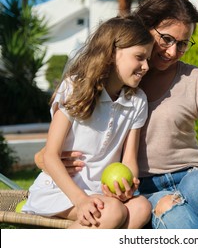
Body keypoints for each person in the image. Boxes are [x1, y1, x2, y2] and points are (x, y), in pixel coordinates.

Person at [35, 0, 198, 229]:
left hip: (191, 174)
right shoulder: (119, 80)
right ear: (145, 27)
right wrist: (43, 158)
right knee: (173, 214)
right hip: (142, 187)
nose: (172, 52)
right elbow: (60, 148)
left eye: (182, 44)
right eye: (166, 39)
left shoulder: (192, 80)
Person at [24, 15, 154, 229]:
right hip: (61, 191)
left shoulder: (138, 100)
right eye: (139, 57)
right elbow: (50, 155)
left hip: (100, 194)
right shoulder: (74, 88)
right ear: (112, 54)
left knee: (141, 207)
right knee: (112, 211)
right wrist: (81, 200)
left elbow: (129, 160)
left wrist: (128, 185)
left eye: (148, 58)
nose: (146, 66)